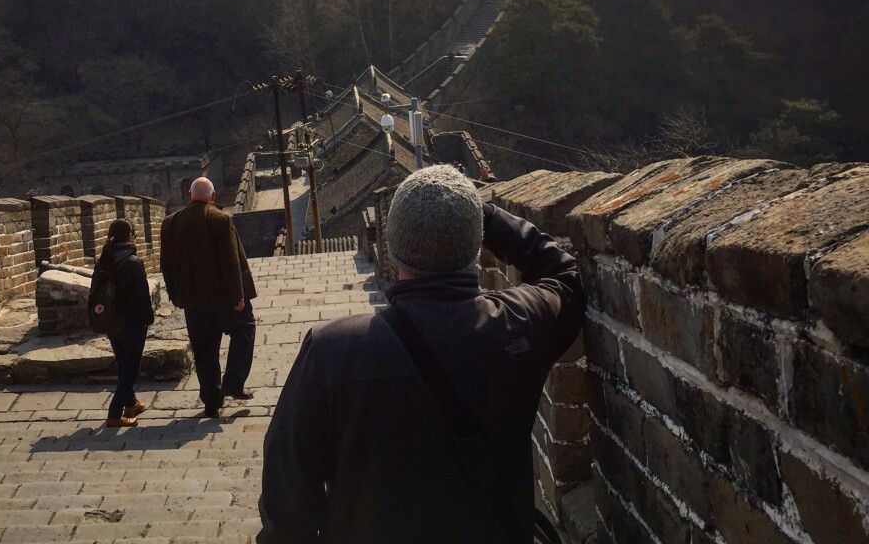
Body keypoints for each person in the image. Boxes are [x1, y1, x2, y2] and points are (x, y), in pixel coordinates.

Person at [257, 164, 585, 543]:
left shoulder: (332, 351)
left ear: (393, 248)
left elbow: (287, 498)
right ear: (475, 243)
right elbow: (564, 277)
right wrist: (487, 214)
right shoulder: (519, 325)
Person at [160, 176, 257, 418]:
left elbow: (166, 264)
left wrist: (174, 295)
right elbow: (230, 261)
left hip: (193, 302)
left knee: (204, 351)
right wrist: (238, 296)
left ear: (190, 196)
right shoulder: (220, 219)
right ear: (213, 197)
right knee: (244, 330)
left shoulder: (170, 223)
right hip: (224, 298)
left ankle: (212, 402)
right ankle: (233, 383)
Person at [98, 218, 154, 429]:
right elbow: (142, 296)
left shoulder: (103, 260)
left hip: (112, 321)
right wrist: (148, 318)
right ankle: (114, 414)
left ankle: (131, 404)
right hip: (132, 322)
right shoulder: (133, 262)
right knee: (131, 368)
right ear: (129, 237)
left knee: (124, 362)